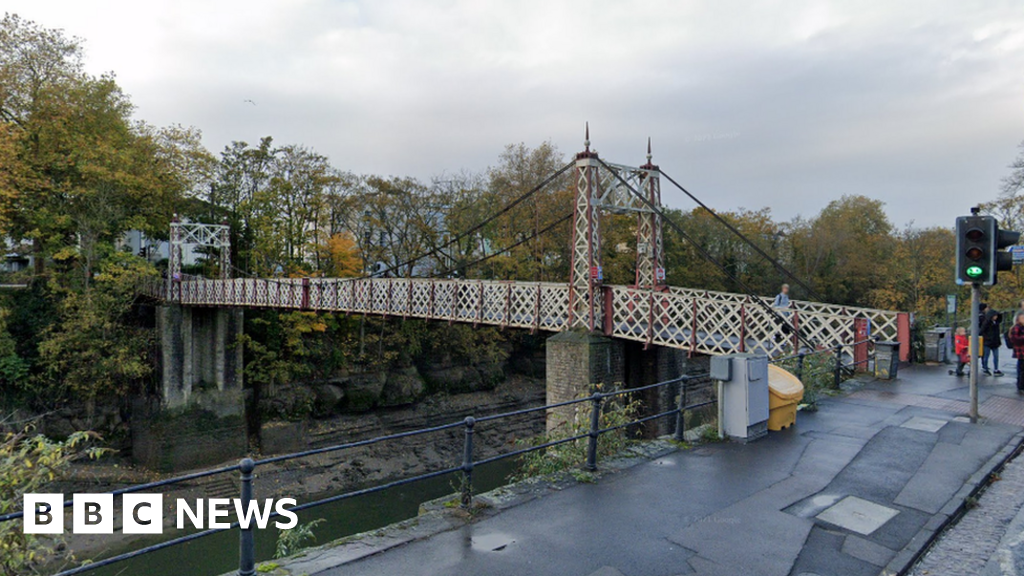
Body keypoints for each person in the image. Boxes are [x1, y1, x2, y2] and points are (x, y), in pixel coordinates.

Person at [981, 308, 1004, 376]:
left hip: (994, 342)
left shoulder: (996, 323)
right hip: (988, 342)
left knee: (996, 356)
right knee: (986, 356)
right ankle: (985, 368)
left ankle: (995, 369)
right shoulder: (986, 323)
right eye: (994, 316)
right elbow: (982, 331)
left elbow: (997, 333)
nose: (995, 317)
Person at [1008, 312, 1024, 392]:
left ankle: (1021, 385)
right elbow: (1015, 339)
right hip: (1020, 352)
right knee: (1021, 370)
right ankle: (1020, 386)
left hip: (1021, 351)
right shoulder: (1017, 328)